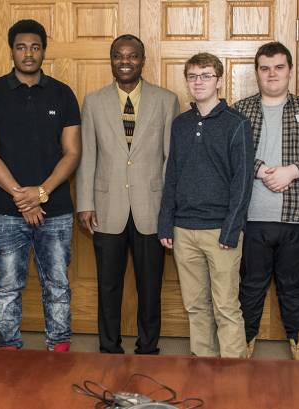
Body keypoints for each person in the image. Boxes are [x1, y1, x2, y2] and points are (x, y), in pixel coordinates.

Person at [0, 19, 81, 351]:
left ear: (43, 51)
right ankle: (9, 350)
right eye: (21, 47)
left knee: (58, 285)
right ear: (12, 50)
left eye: (35, 47)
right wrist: (23, 197)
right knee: (7, 286)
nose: (28, 53)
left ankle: (59, 348)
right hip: (7, 213)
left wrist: (41, 192)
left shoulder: (62, 93)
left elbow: (73, 151)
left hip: (57, 211)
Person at [76, 34, 179, 354]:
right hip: (106, 207)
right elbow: (87, 155)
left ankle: (148, 347)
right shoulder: (93, 102)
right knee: (108, 285)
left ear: (142, 60)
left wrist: (168, 210)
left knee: (150, 286)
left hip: (152, 206)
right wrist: (85, 203)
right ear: (111, 60)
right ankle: (109, 346)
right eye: (118, 55)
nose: (125, 61)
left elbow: (171, 159)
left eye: (132, 56)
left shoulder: (166, 100)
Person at [233, 42, 299, 360]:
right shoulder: (239, 110)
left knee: (296, 285)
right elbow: (229, 155)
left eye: (279, 67)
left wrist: (292, 171)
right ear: (257, 72)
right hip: (252, 216)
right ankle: (242, 344)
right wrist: (259, 170)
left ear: (290, 70)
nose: (272, 74)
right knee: (250, 285)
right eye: (265, 68)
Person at [157, 53, 254, 358]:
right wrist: (165, 222)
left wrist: (231, 229)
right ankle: (204, 370)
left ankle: (233, 378)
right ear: (187, 81)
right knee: (196, 307)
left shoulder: (236, 124)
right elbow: (172, 174)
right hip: (184, 231)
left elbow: (243, 180)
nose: (199, 82)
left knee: (226, 307)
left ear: (219, 81)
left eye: (206, 75)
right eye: (193, 76)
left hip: (220, 232)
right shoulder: (181, 124)